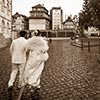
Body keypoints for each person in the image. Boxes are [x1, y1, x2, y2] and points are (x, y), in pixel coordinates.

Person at [22, 30, 49, 98]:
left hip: (32, 56)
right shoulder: (43, 41)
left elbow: (26, 49)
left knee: (30, 69)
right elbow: (45, 49)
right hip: (40, 57)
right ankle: (36, 84)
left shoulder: (30, 40)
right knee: (38, 71)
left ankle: (31, 83)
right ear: (40, 34)